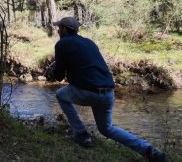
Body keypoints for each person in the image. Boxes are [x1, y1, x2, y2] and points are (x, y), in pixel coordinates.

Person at [46, 16, 166, 162]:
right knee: (106, 129)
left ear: (64, 29)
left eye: (59, 27)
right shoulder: (89, 42)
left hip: (87, 92)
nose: (58, 30)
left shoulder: (62, 43)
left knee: (60, 94)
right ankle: (149, 150)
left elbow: (58, 77)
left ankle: (82, 135)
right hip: (108, 93)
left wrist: (52, 73)